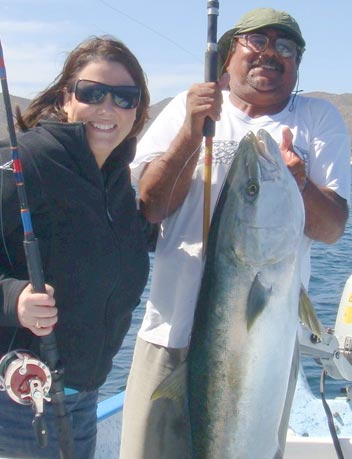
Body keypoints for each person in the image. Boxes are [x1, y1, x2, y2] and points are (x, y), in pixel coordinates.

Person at [120, 7, 351, 459]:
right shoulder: (188, 109)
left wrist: (300, 182)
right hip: (168, 334)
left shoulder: (319, 120)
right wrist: (191, 130)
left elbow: (332, 229)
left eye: (285, 47)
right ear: (228, 57)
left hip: (263, 347)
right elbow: (151, 207)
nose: (270, 54)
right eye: (256, 43)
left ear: (298, 64)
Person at [0, 35, 150, 459]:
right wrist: (15, 300)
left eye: (125, 97)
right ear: (67, 97)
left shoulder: (117, 177)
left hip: (81, 396)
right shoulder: (24, 162)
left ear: (138, 109)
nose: (108, 108)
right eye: (92, 93)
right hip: (18, 403)